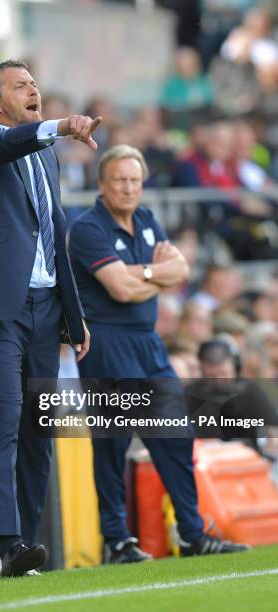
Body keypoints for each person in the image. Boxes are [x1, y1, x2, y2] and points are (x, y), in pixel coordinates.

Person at [0, 59, 97, 576]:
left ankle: (26, 551)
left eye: (35, 83)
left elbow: (56, 231)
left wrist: (74, 315)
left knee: (39, 431)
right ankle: (7, 542)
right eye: (20, 85)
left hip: (44, 307)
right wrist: (55, 127)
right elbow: (0, 146)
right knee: (6, 421)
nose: (33, 89)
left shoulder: (44, 155)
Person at [69, 144, 249, 561]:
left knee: (176, 436)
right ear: (102, 184)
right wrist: (155, 275)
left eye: (135, 180)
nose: (128, 188)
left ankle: (193, 533)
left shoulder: (147, 220)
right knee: (112, 445)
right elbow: (121, 288)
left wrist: (141, 275)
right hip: (106, 343)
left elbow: (181, 271)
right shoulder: (87, 227)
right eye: (119, 179)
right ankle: (116, 540)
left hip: (148, 341)